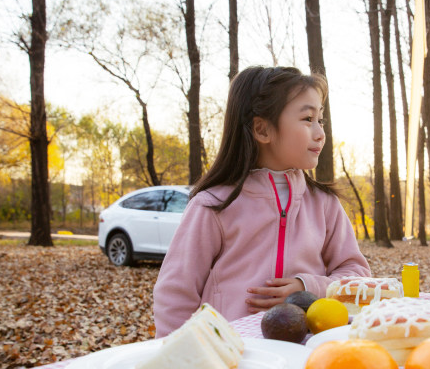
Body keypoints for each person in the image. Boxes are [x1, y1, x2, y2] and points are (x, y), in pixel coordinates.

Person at [153, 66, 370, 336]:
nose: (320, 133)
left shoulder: (324, 205)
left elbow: (357, 274)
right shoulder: (213, 205)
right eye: (307, 118)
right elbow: (176, 294)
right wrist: (180, 358)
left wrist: (308, 287)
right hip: (234, 356)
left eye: (320, 120)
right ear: (262, 129)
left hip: (306, 354)